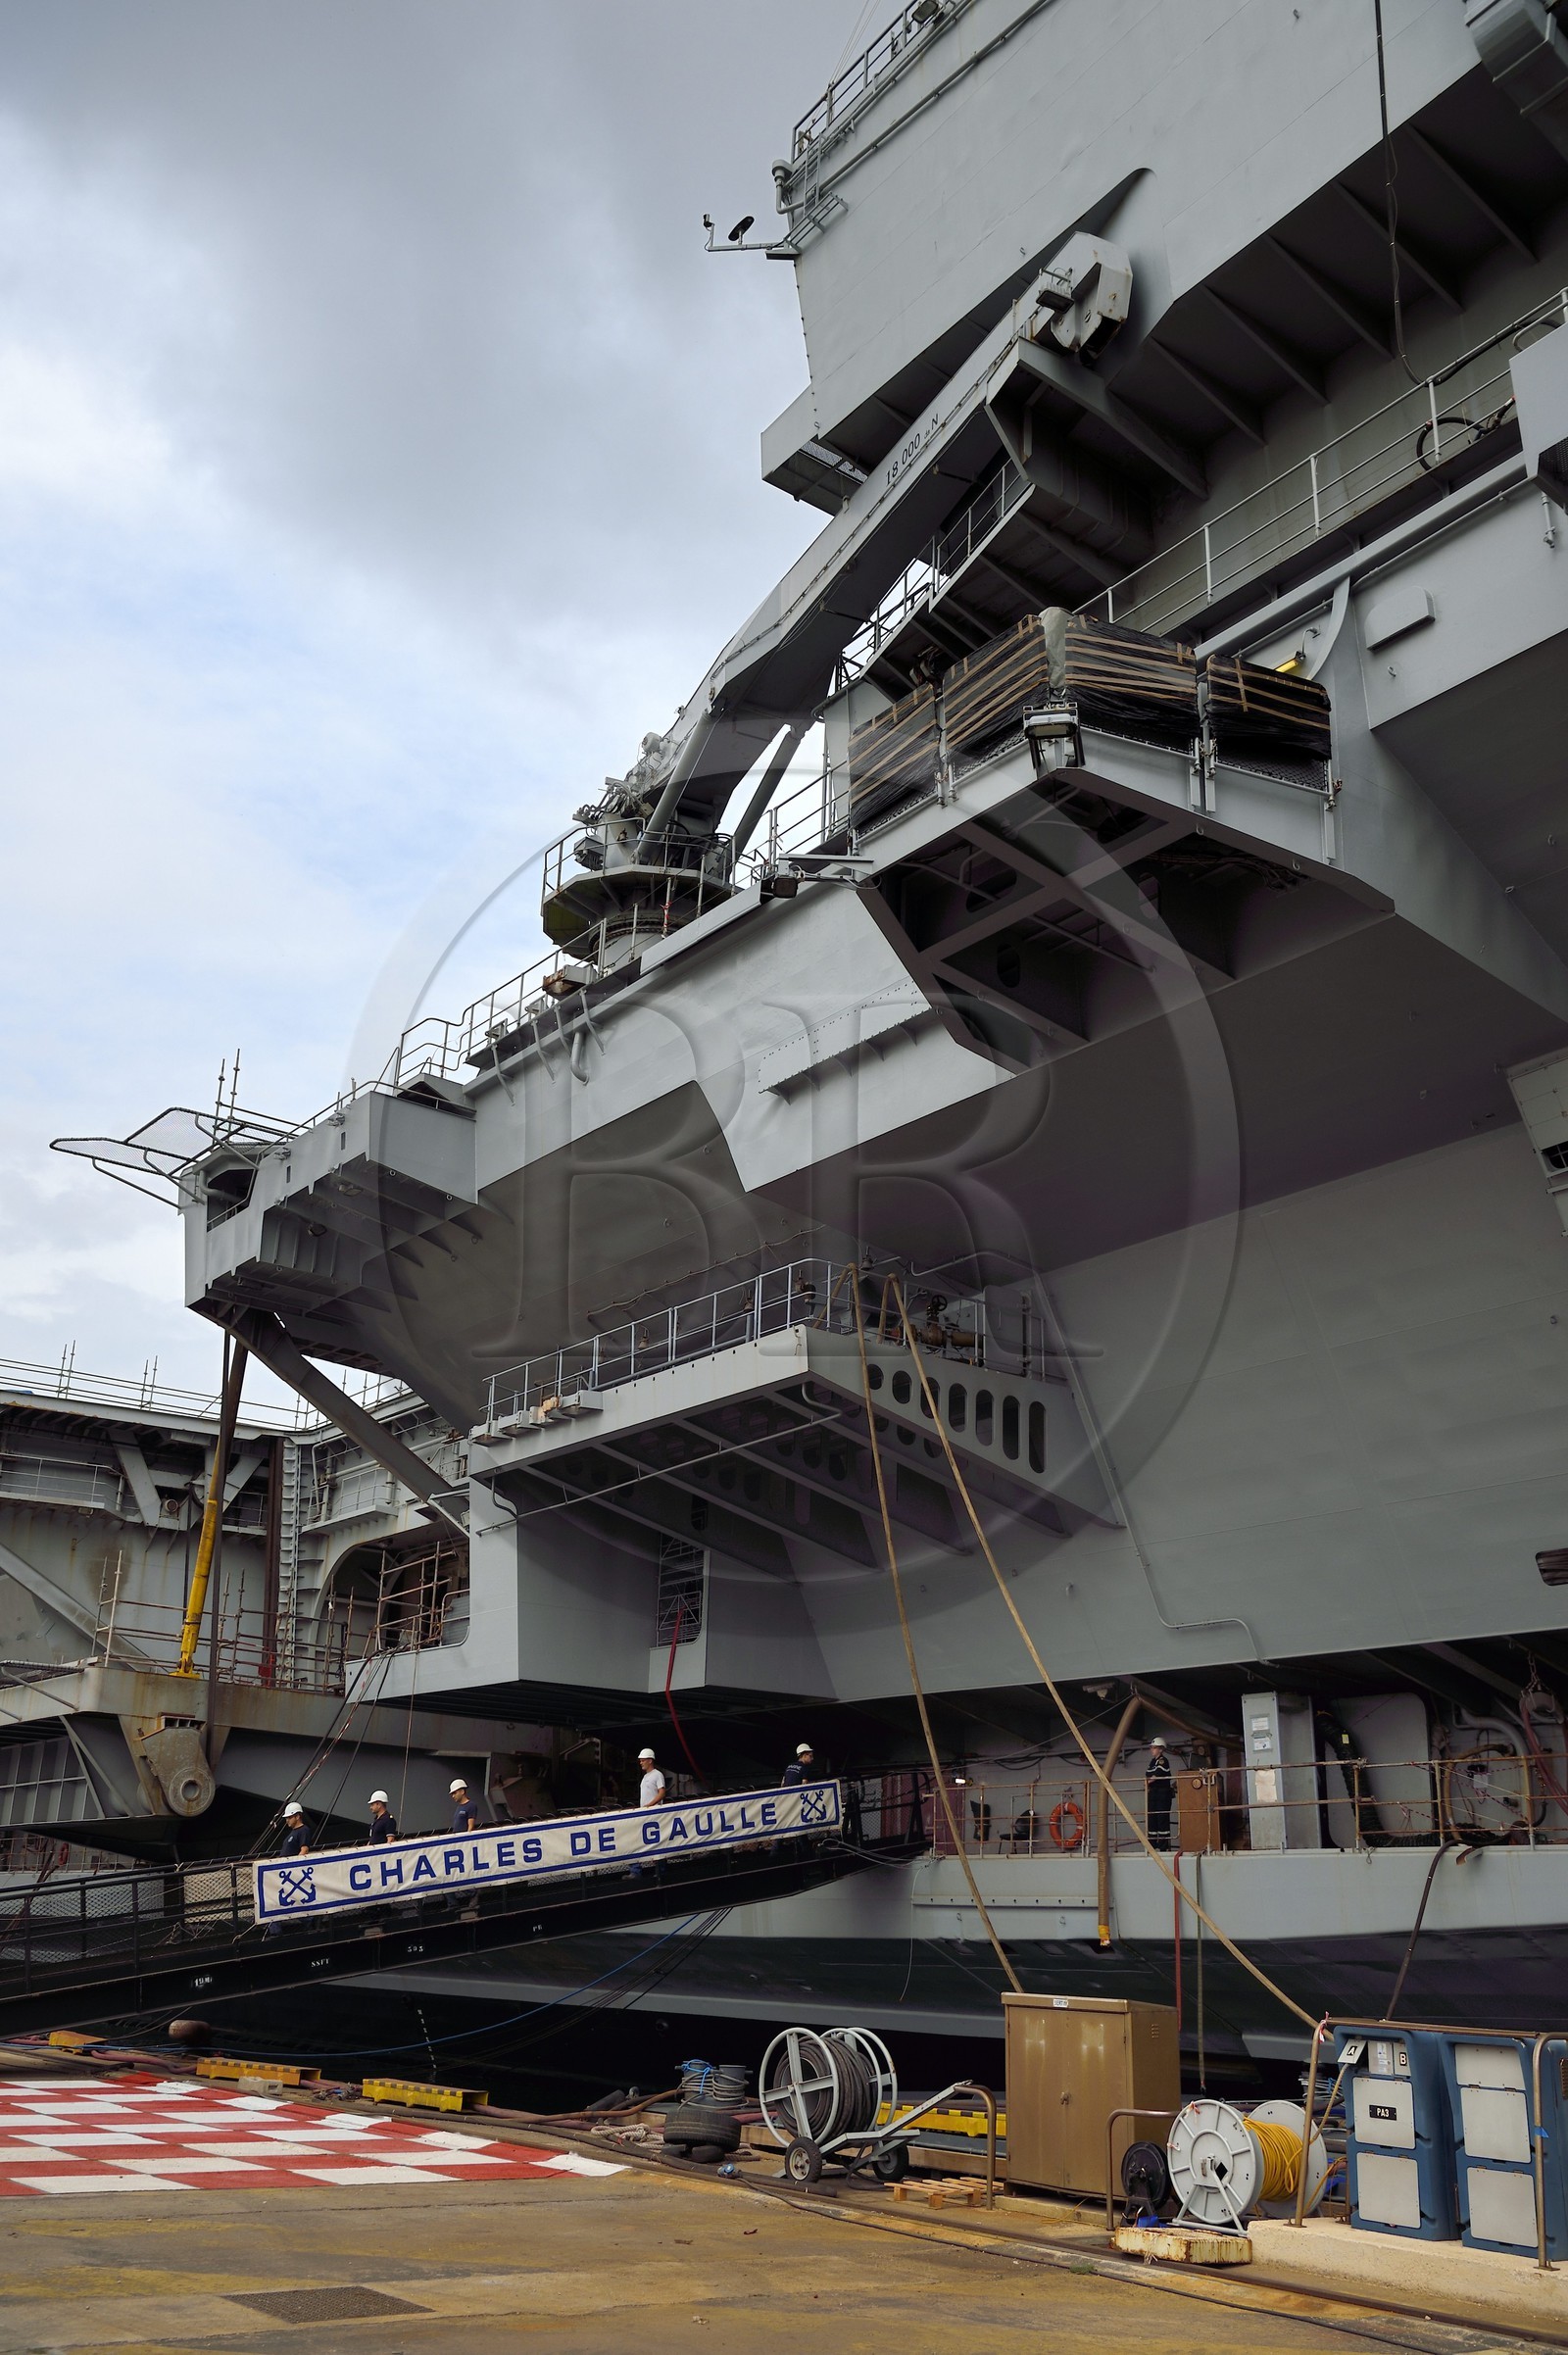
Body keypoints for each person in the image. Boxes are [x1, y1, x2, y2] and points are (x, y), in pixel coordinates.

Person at [1145, 1736, 1175, 1852]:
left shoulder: (1163, 1761)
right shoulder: (1153, 1762)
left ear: (1161, 1749)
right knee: (1152, 1818)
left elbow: (1155, 1775)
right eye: (1151, 1747)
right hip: (1153, 1794)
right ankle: (1152, 1845)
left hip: (1162, 1794)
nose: (1152, 1750)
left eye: (1154, 1748)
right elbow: (1148, 1774)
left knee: (1162, 1819)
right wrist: (1149, 1780)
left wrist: (1149, 1781)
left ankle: (1163, 1846)